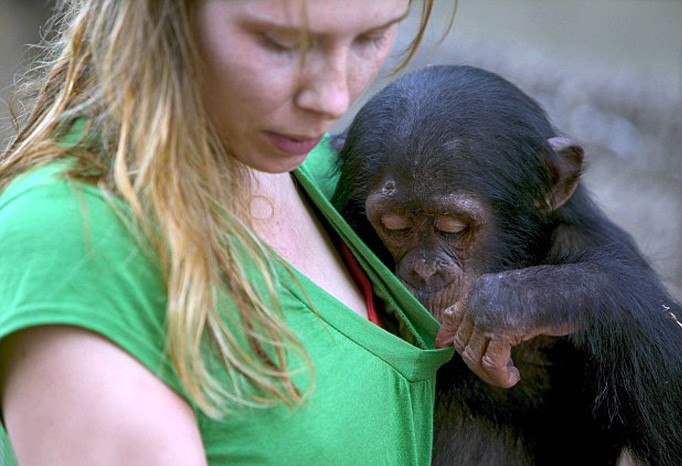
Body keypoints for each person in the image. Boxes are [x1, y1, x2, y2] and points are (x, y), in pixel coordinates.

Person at [0, 0, 452, 464]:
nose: (333, 100)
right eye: (280, 43)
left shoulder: (326, 173)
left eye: (371, 37)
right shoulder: (75, 242)